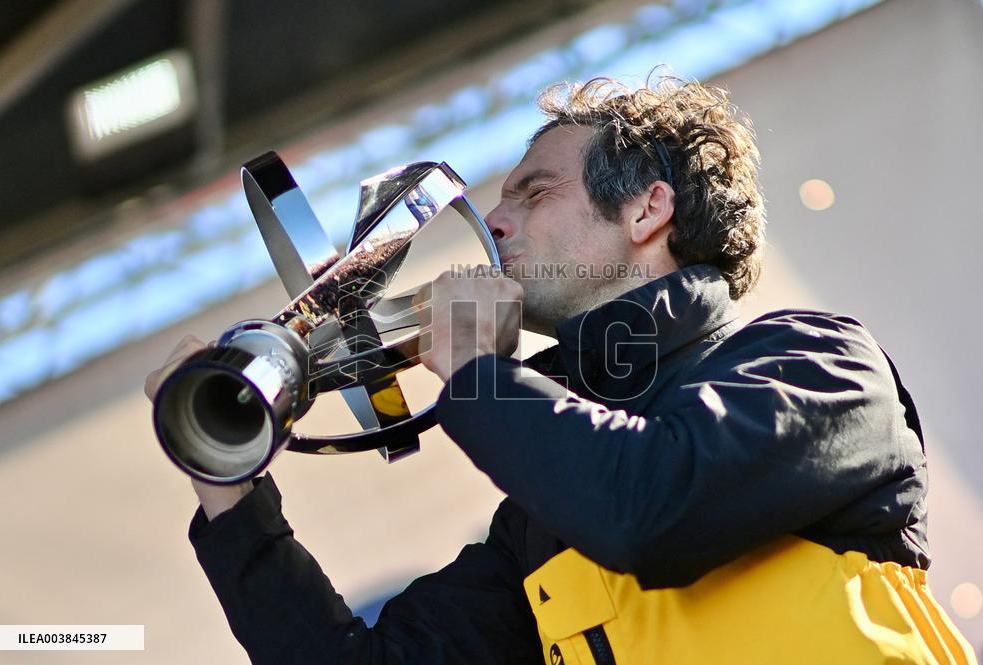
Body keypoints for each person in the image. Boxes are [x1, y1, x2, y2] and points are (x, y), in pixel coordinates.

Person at [144, 76, 977, 664]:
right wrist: (227, 482)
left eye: (533, 194)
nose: (494, 224)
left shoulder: (817, 359)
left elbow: (650, 507)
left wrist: (474, 369)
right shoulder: (539, 526)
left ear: (648, 208)